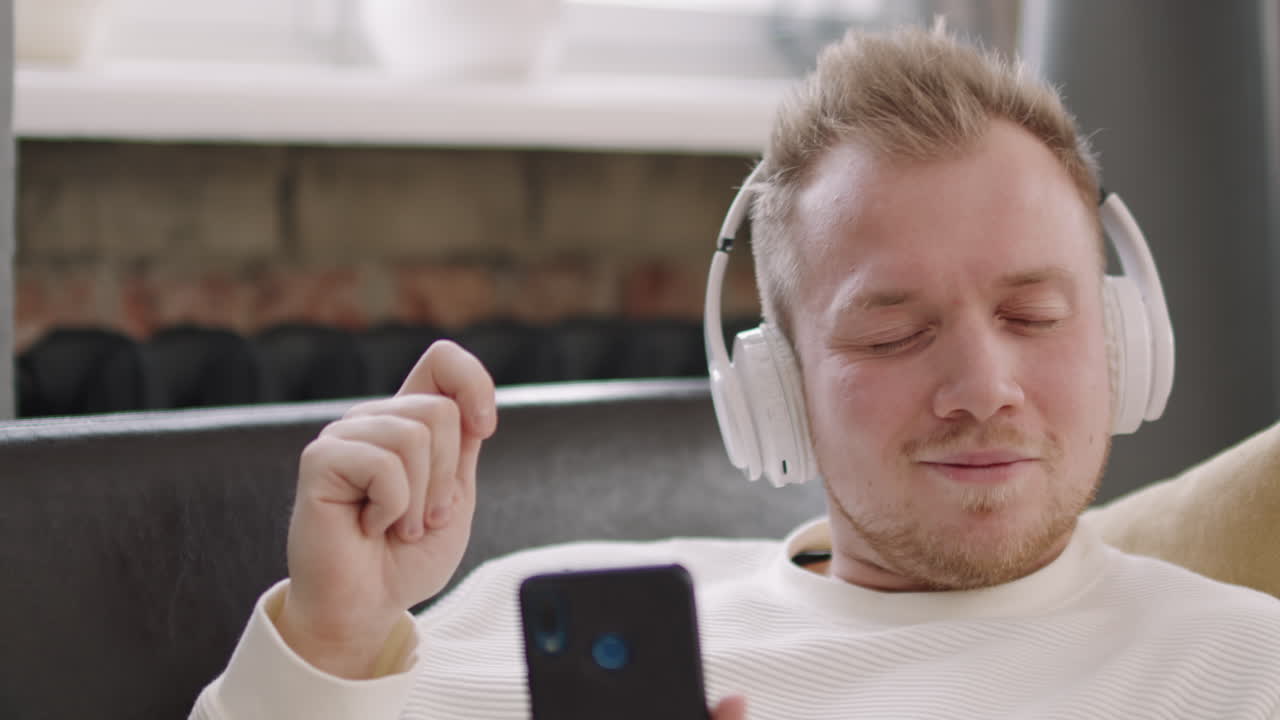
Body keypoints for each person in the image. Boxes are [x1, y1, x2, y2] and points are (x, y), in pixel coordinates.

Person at [191, 25, 1280, 720]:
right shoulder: (537, 620)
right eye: (891, 335)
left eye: (1032, 314)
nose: (981, 385)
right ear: (772, 390)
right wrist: (327, 646)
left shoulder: (1239, 669)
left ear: (1122, 339)